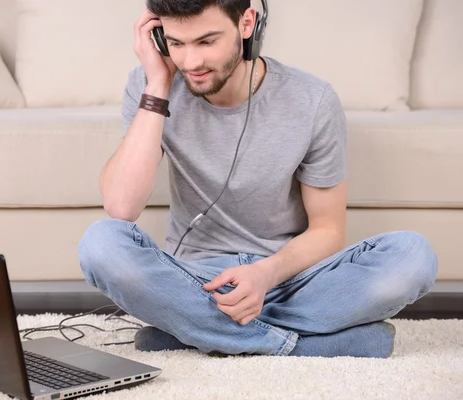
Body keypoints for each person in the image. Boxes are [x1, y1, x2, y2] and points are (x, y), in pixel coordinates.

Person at [77, 0, 438, 358]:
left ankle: (193, 332)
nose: (191, 62)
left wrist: (265, 275)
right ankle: (297, 344)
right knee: (100, 243)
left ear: (247, 24)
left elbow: (328, 230)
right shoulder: (150, 87)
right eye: (176, 43)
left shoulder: (312, 100)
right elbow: (121, 207)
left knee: (413, 255)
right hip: (195, 280)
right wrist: (157, 84)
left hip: (289, 280)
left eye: (206, 41)